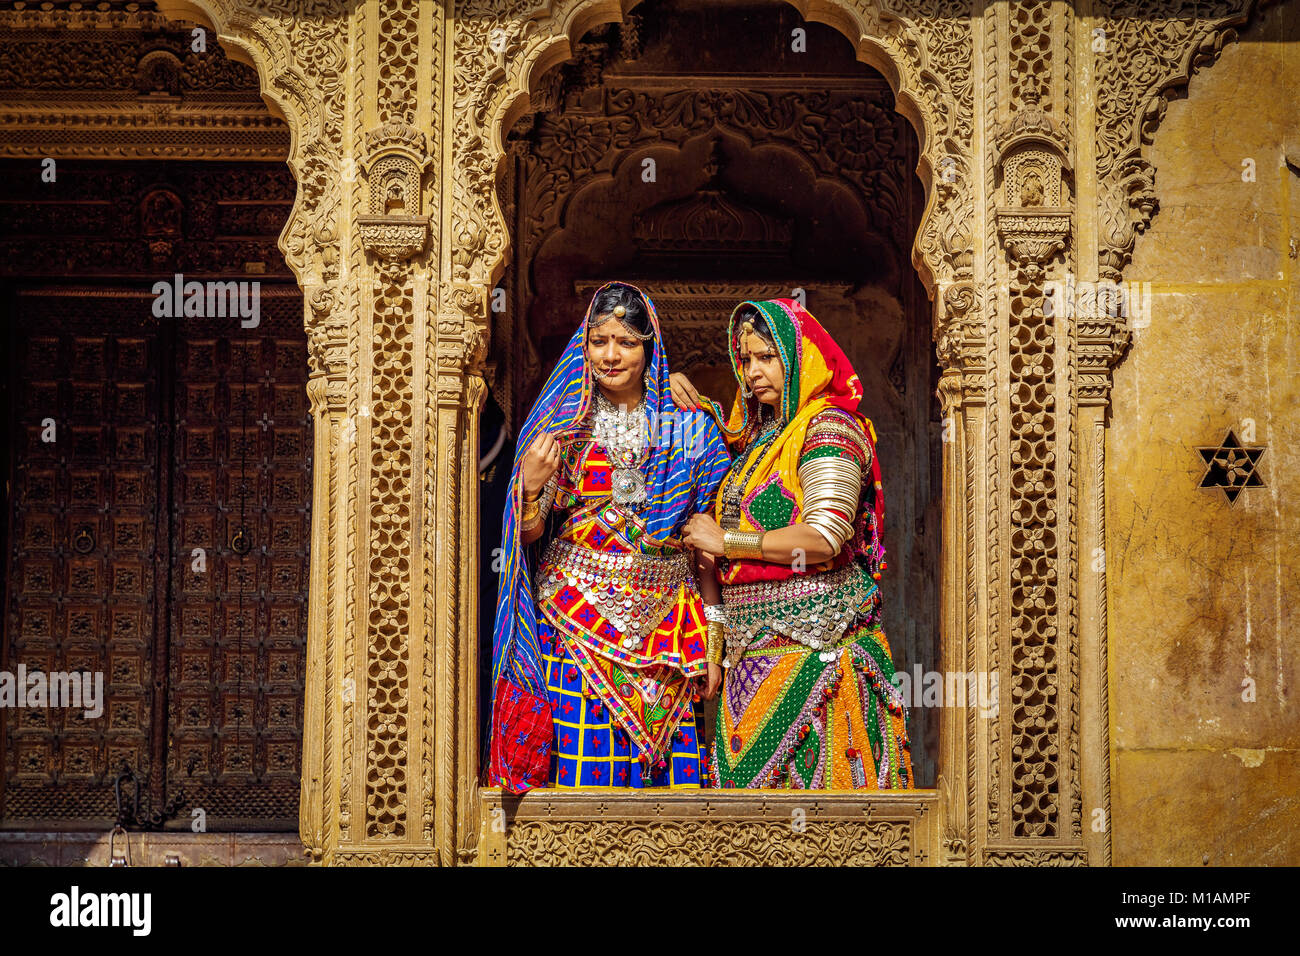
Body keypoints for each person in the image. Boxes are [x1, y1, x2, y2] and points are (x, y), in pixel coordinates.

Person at [487, 281, 731, 793]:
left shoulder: (693, 427)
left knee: (675, 790)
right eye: (599, 341)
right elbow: (528, 534)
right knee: (583, 787)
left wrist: (714, 636)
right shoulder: (564, 427)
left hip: (671, 630)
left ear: (651, 347)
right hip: (574, 626)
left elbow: (706, 542)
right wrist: (529, 489)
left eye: (626, 342)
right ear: (585, 345)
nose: (611, 355)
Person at [674, 298, 914, 789]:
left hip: (817, 663)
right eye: (745, 360)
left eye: (767, 357)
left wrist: (727, 541)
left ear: (800, 357)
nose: (753, 372)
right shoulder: (756, 444)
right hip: (746, 672)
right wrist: (715, 650)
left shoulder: (829, 428)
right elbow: (719, 569)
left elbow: (825, 536)